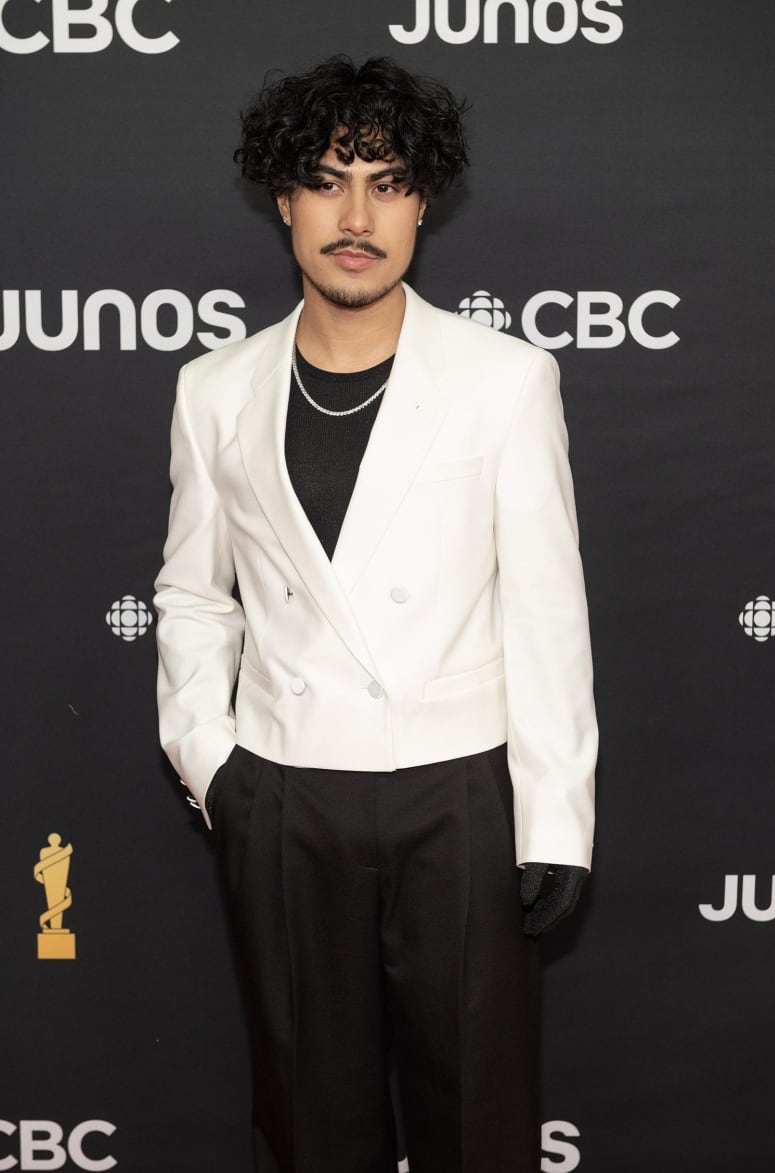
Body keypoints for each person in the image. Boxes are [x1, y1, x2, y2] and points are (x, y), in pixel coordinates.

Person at [154, 55, 597, 1173]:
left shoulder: (505, 378)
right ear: (284, 196)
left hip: (458, 795)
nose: (357, 215)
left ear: (423, 199)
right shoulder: (216, 387)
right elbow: (195, 592)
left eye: (387, 181)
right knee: (310, 1123)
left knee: (475, 1123)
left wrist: (553, 818)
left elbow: (546, 606)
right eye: (329, 178)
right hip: (285, 793)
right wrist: (217, 763)